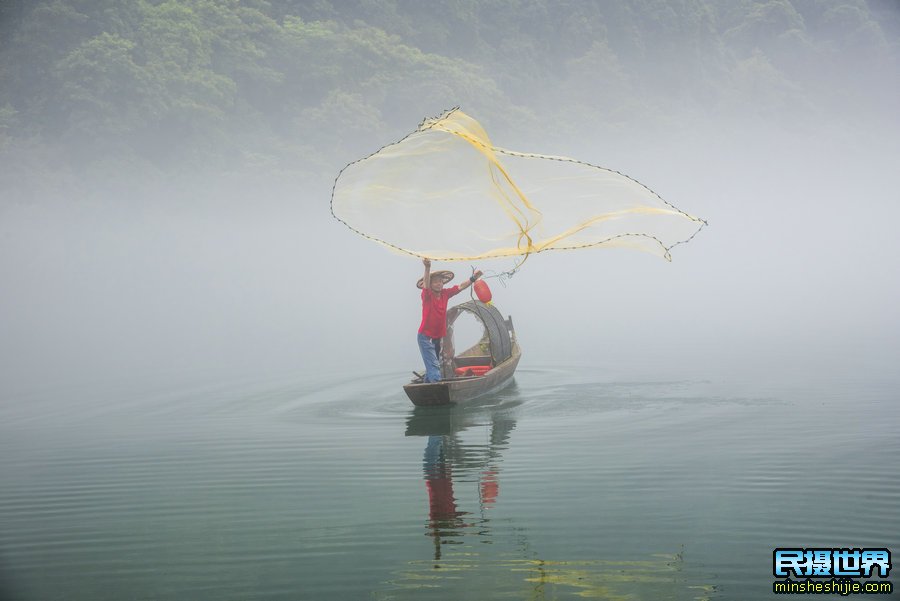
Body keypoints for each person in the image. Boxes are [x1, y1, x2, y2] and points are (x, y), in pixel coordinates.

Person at [417, 258, 483, 382]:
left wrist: (473, 278)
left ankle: (427, 383)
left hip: (436, 338)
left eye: (441, 282)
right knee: (434, 365)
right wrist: (427, 268)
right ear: (430, 284)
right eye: (435, 282)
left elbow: (461, 287)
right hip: (425, 337)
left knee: (434, 363)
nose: (439, 284)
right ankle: (436, 386)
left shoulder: (445, 294)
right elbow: (425, 284)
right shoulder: (427, 295)